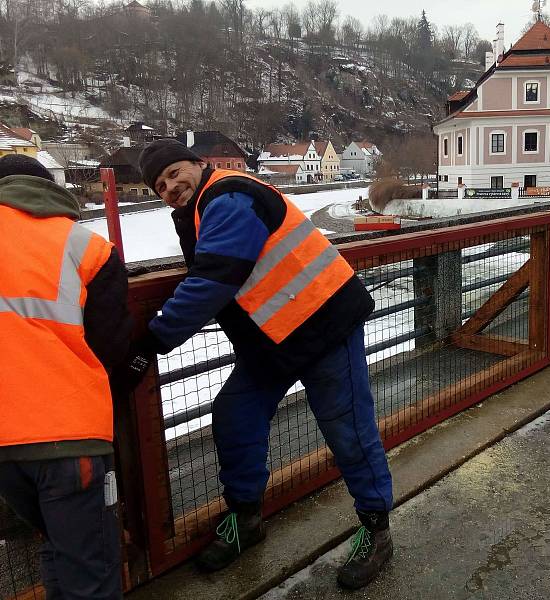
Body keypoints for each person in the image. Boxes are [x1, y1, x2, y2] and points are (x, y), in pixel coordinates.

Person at [131, 139, 393, 589]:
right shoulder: (200, 209)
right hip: (273, 342)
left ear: (199, 165)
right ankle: (246, 518)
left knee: (347, 428)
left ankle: (376, 529)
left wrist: (150, 342)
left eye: (175, 173)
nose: (171, 187)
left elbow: (213, 280)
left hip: (324, 326)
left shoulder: (229, 196)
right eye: (161, 185)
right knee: (236, 416)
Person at [0, 154, 132, 599]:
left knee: (55, 546)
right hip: (69, 435)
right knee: (89, 569)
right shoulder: (87, 246)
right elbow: (111, 344)